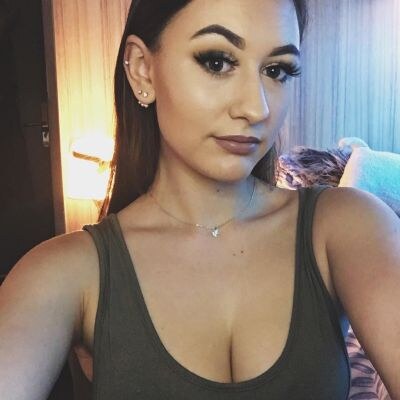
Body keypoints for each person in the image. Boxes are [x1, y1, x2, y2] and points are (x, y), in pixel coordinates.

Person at [1, 0, 399, 399]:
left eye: (276, 70)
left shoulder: (348, 226)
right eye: (217, 62)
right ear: (142, 69)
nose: (256, 108)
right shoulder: (66, 272)